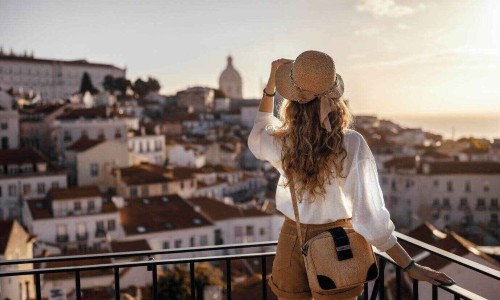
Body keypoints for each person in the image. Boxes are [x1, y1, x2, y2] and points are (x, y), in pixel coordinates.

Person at [247, 50, 455, 300]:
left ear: (292, 103)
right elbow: (369, 216)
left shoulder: (282, 142)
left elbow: (259, 131)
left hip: (292, 238)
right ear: (335, 100)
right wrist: (409, 265)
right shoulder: (351, 144)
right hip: (338, 243)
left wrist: (271, 85)